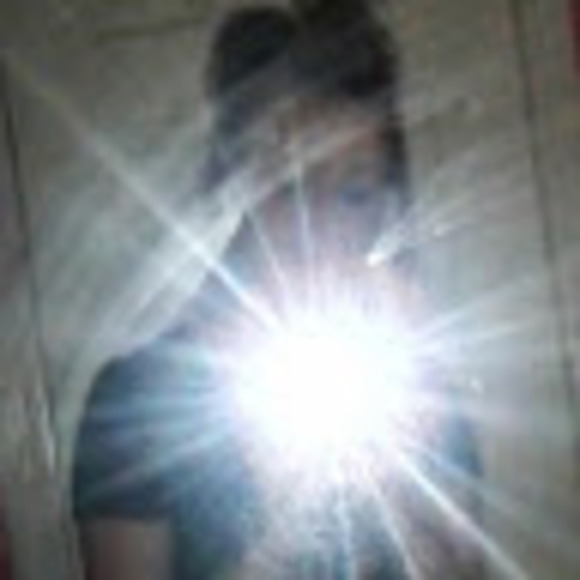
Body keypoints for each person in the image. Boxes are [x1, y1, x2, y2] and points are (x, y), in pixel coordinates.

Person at [73, 1, 485, 579]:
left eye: (354, 193)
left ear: (387, 207)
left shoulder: (412, 388)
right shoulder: (138, 402)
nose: (318, 227)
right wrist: (286, 523)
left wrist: (406, 487)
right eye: (288, 186)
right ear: (234, 191)